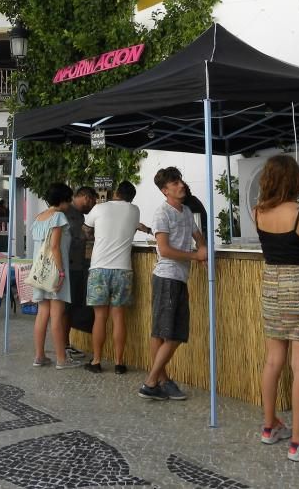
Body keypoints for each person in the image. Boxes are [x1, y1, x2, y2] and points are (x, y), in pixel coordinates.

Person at [254, 155, 299, 462]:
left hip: (271, 285)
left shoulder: (257, 211)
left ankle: (269, 426)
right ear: (294, 180)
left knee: (273, 361)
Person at [139, 166, 206, 402]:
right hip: (167, 277)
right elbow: (164, 250)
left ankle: (161, 382)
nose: (181, 185)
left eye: (181, 181)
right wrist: (195, 256)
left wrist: (203, 248)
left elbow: (198, 236)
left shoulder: (186, 211)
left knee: (161, 333)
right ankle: (151, 382)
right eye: (175, 183)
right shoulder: (162, 213)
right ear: (165, 190)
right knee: (173, 333)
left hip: (178, 278)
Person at [83, 181, 148, 374]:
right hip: (123, 270)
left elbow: (86, 230)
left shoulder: (99, 207)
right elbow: (132, 226)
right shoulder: (134, 210)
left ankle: (96, 361)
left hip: (99, 269)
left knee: (100, 317)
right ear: (131, 197)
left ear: (116, 193)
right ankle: (119, 363)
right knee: (119, 318)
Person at [31, 183, 82, 370]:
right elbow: (54, 247)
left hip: (39, 272)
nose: (69, 203)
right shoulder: (59, 216)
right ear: (62, 199)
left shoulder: (38, 218)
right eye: (68, 199)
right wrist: (61, 272)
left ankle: (39, 356)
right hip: (54, 271)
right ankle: (62, 359)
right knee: (57, 315)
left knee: (42, 313)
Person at [62, 186, 97, 360]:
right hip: (66, 268)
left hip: (77, 267)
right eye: (92, 201)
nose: (93, 205)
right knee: (63, 310)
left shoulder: (81, 216)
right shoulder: (65, 212)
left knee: (71, 308)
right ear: (84, 197)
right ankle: (62, 348)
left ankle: (66, 345)